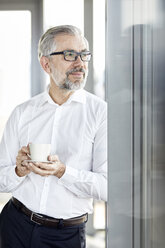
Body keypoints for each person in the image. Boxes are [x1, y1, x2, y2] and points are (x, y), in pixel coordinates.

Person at [0, 25, 107, 248]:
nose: (80, 63)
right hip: (14, 225)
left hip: (65, 236)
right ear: (45, 63)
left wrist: (62, 172)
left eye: (84, 54)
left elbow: (107, 187)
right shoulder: (22, 112)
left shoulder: (101, 113)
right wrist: (19, 170)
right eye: (70, 55)